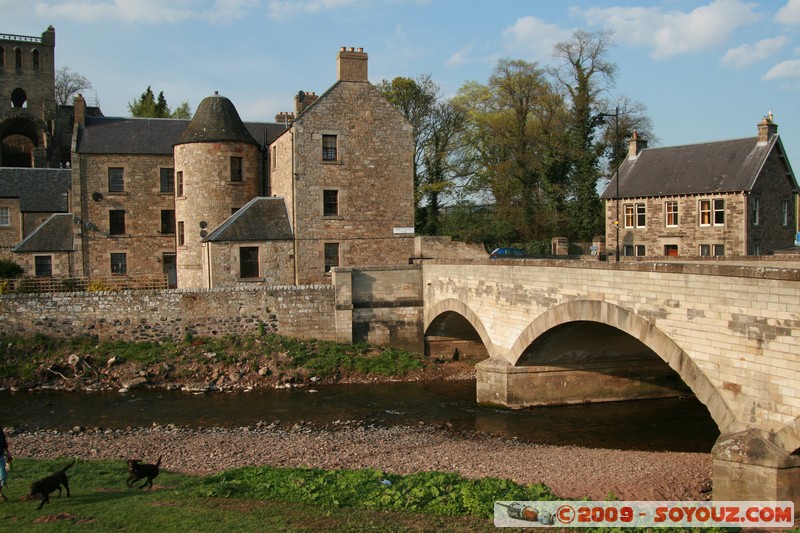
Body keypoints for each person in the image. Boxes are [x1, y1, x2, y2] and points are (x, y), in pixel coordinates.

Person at [0, 426, 11, 502]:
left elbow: (4, 443)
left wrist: (8, 453)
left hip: (0, 456)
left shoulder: (0, 430)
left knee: (3, 477)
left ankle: (0, 493)